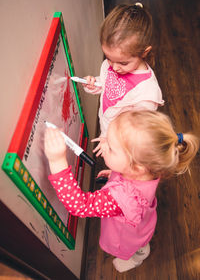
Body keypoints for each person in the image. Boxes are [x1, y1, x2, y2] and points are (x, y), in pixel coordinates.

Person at [44, 110, 199, 273]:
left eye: (110, 147)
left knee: (138, 247)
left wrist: (57, 161)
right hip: (143, 222)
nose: (103, 144)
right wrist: (116, 175)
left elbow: (80, 206)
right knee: (142, 239)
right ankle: (141, 248)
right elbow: (132, 180)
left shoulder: (119, 198)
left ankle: (138, 256)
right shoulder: (151, 168)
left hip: (127, 236)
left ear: (136, 168)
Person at [83, 3, 164, 144]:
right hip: (107, 130)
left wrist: (112, 143)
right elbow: (108, 86)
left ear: (144, 52)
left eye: (123, 63)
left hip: (122, 143)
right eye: (108, 58)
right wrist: (94, 84)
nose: (114, 68)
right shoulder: (115, 63)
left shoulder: (147, 92)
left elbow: (138, 131)